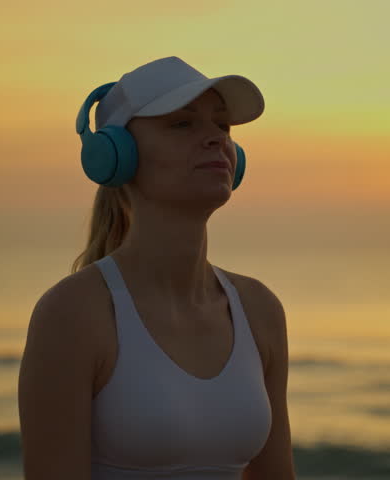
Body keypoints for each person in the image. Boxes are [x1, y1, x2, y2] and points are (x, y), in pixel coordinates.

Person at [17, 56, 296, 479]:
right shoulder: (73, 314)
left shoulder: (259, 309)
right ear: (116, 155)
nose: (214, 140)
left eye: (222, 126)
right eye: (182, 124)